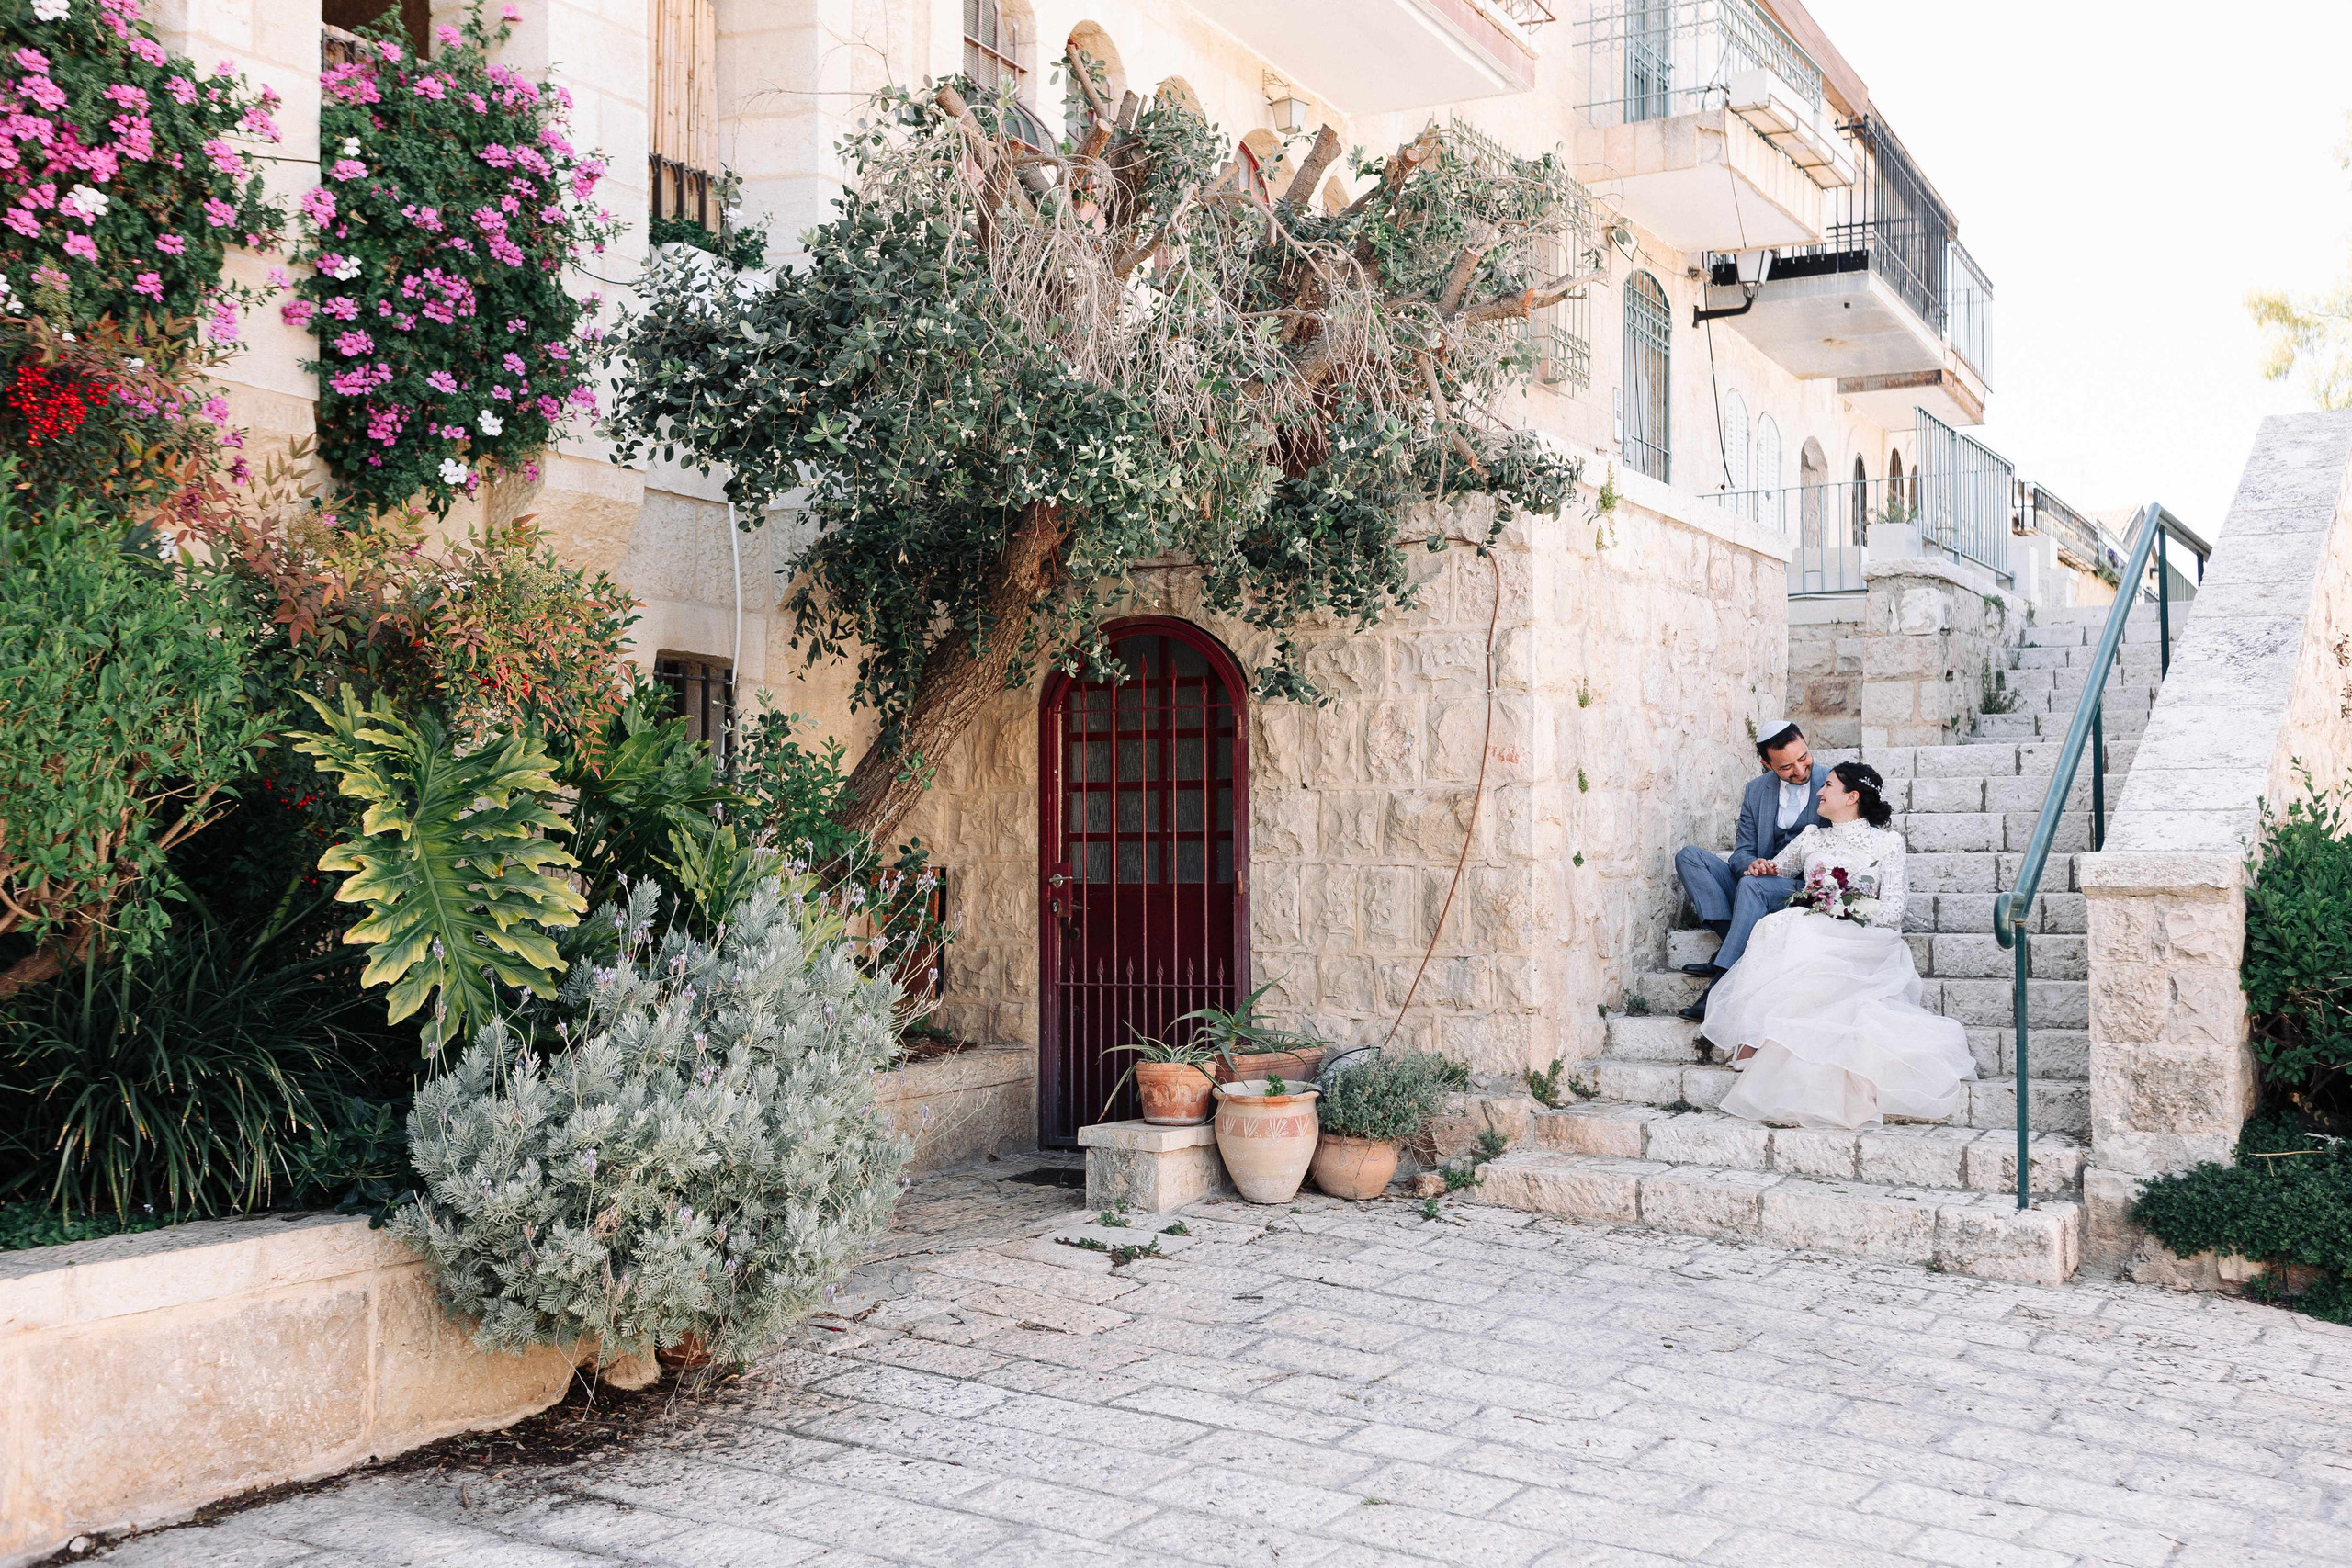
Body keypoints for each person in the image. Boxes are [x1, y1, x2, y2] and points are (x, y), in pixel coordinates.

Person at [1705, 761, 1977, 1130]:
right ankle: (1759, 1034)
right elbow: (1778, 869)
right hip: (1816, 920)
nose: (1819, 791)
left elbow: (1894, 909)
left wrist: (1842, 906)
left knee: (1801, 932)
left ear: (1851, 797)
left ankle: (1771, 1038)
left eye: (1828, 786)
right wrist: (1762, 869)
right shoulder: (1812, 837)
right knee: (1780, 925)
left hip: (1863, 934)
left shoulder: (1887, 843)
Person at [1671, 721, 1826, 1024]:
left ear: (1805, 741)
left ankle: (1718, 985)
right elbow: (1741, 851)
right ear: (1766, 764)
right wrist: (1750, 864)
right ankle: (1738, 943)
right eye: (1785, 767)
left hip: (1796, 886)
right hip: (1755, 883)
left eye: (1803, 758)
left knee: (1751, 888)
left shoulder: (1831, 781)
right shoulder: (1756, 790)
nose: (1800, 771)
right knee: (1689, 857)